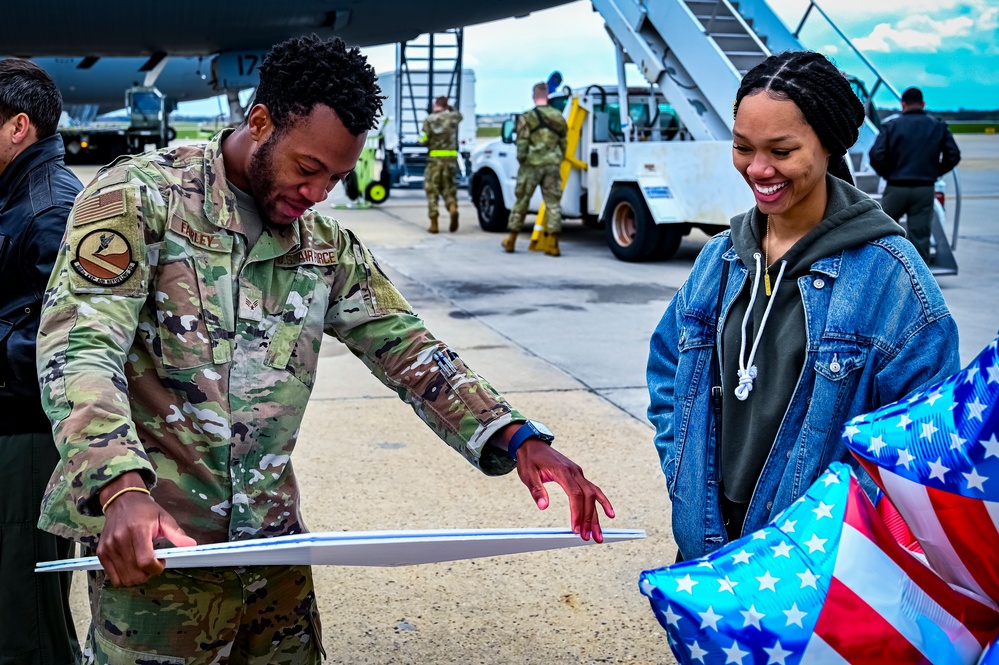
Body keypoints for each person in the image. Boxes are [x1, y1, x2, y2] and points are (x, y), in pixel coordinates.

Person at [35, 35, 613, 664]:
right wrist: (119, 485)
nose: (318, 192)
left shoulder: (323, 245)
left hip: (273, 554)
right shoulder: (141, 198)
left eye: (336, 178)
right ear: (260, 123)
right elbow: (81, 345)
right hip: (159, 554)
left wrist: (516, 436)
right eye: (308, 169)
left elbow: (406, 344)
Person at [647, 51, 959, 562]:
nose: (759, 169)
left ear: (829, 145)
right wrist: (683, 468)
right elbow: (666, 369)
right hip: (707, 549)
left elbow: (921, 447)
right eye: (743, 148)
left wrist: (837, 527)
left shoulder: (893, 279)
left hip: (816, 563)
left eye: (782, 151)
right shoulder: (719, 259)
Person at [0, 58, 83, 665]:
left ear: (17, 126)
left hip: (30, 440)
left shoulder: (52, 209)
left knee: (26, 617)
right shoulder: (18, 195)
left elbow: (68, 345)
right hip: (12, 428)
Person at [869, 86, 961, 264]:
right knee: (920, 237)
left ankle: (883, 271)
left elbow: (876, 155)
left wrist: (888, 173)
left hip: (896, 187)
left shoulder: (892, 126)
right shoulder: (938, 126)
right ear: (923, 104)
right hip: (924, 188)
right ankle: (919, 282)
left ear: (903, 104)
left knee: (883, 231)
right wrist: (935, 172)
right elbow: (953, 155)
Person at [501, 82, 567, 256]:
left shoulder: (527, 117)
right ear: (547, 96)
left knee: (521, 201)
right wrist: (558, 159)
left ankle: (511, 240)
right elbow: (563, 142)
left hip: (531, 165)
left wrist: (522, 159)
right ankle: (553, 244)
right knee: (553, 203)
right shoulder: (559, 117)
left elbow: (522, 142)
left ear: (533, 96)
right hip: (552, 164)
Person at [420, 95, 462, 233]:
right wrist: (450, 108)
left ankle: (434, 223)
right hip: (451, 159)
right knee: (449, 188)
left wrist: (422, 140)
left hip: (435, 160)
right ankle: (452, 207)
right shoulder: (453, 118)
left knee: (432, 189)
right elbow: (460, 115)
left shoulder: (429, 119)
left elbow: (424, 139)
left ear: (435, 105)